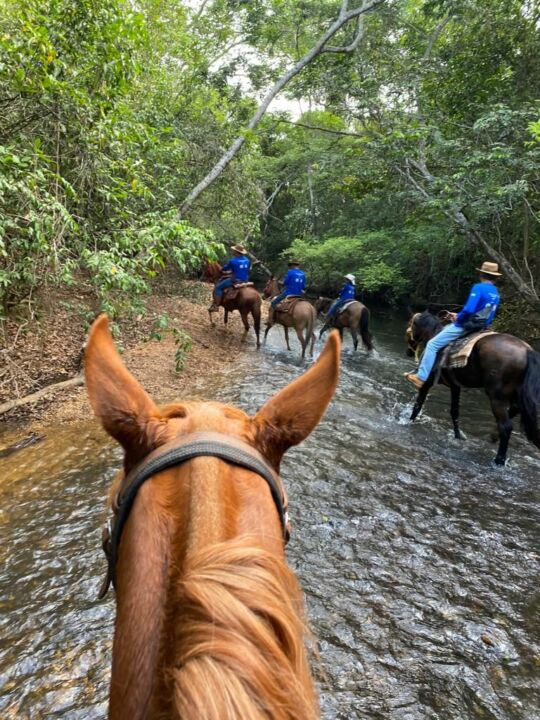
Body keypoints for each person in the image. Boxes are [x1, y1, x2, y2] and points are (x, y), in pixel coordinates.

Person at [404, 261, 502, 389]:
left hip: (467, 325)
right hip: (483, 326)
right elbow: (486, 312)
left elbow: (469, 310)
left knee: (432, 345)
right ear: (495, 277)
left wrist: (458, 318)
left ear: (481, 274)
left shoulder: (479, 288)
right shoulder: (495, 292)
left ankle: (421, 377)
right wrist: (458, 314)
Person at [210, 244, 251, 310]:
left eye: (234, 250)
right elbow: (246, 270)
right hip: (245, 280)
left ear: (237, 252)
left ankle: (216, 306)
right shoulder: (247, 260)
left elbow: (225, 268)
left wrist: (221, 269)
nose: (233, 251)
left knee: (218, 288)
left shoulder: (232, 261)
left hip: (235, 280)